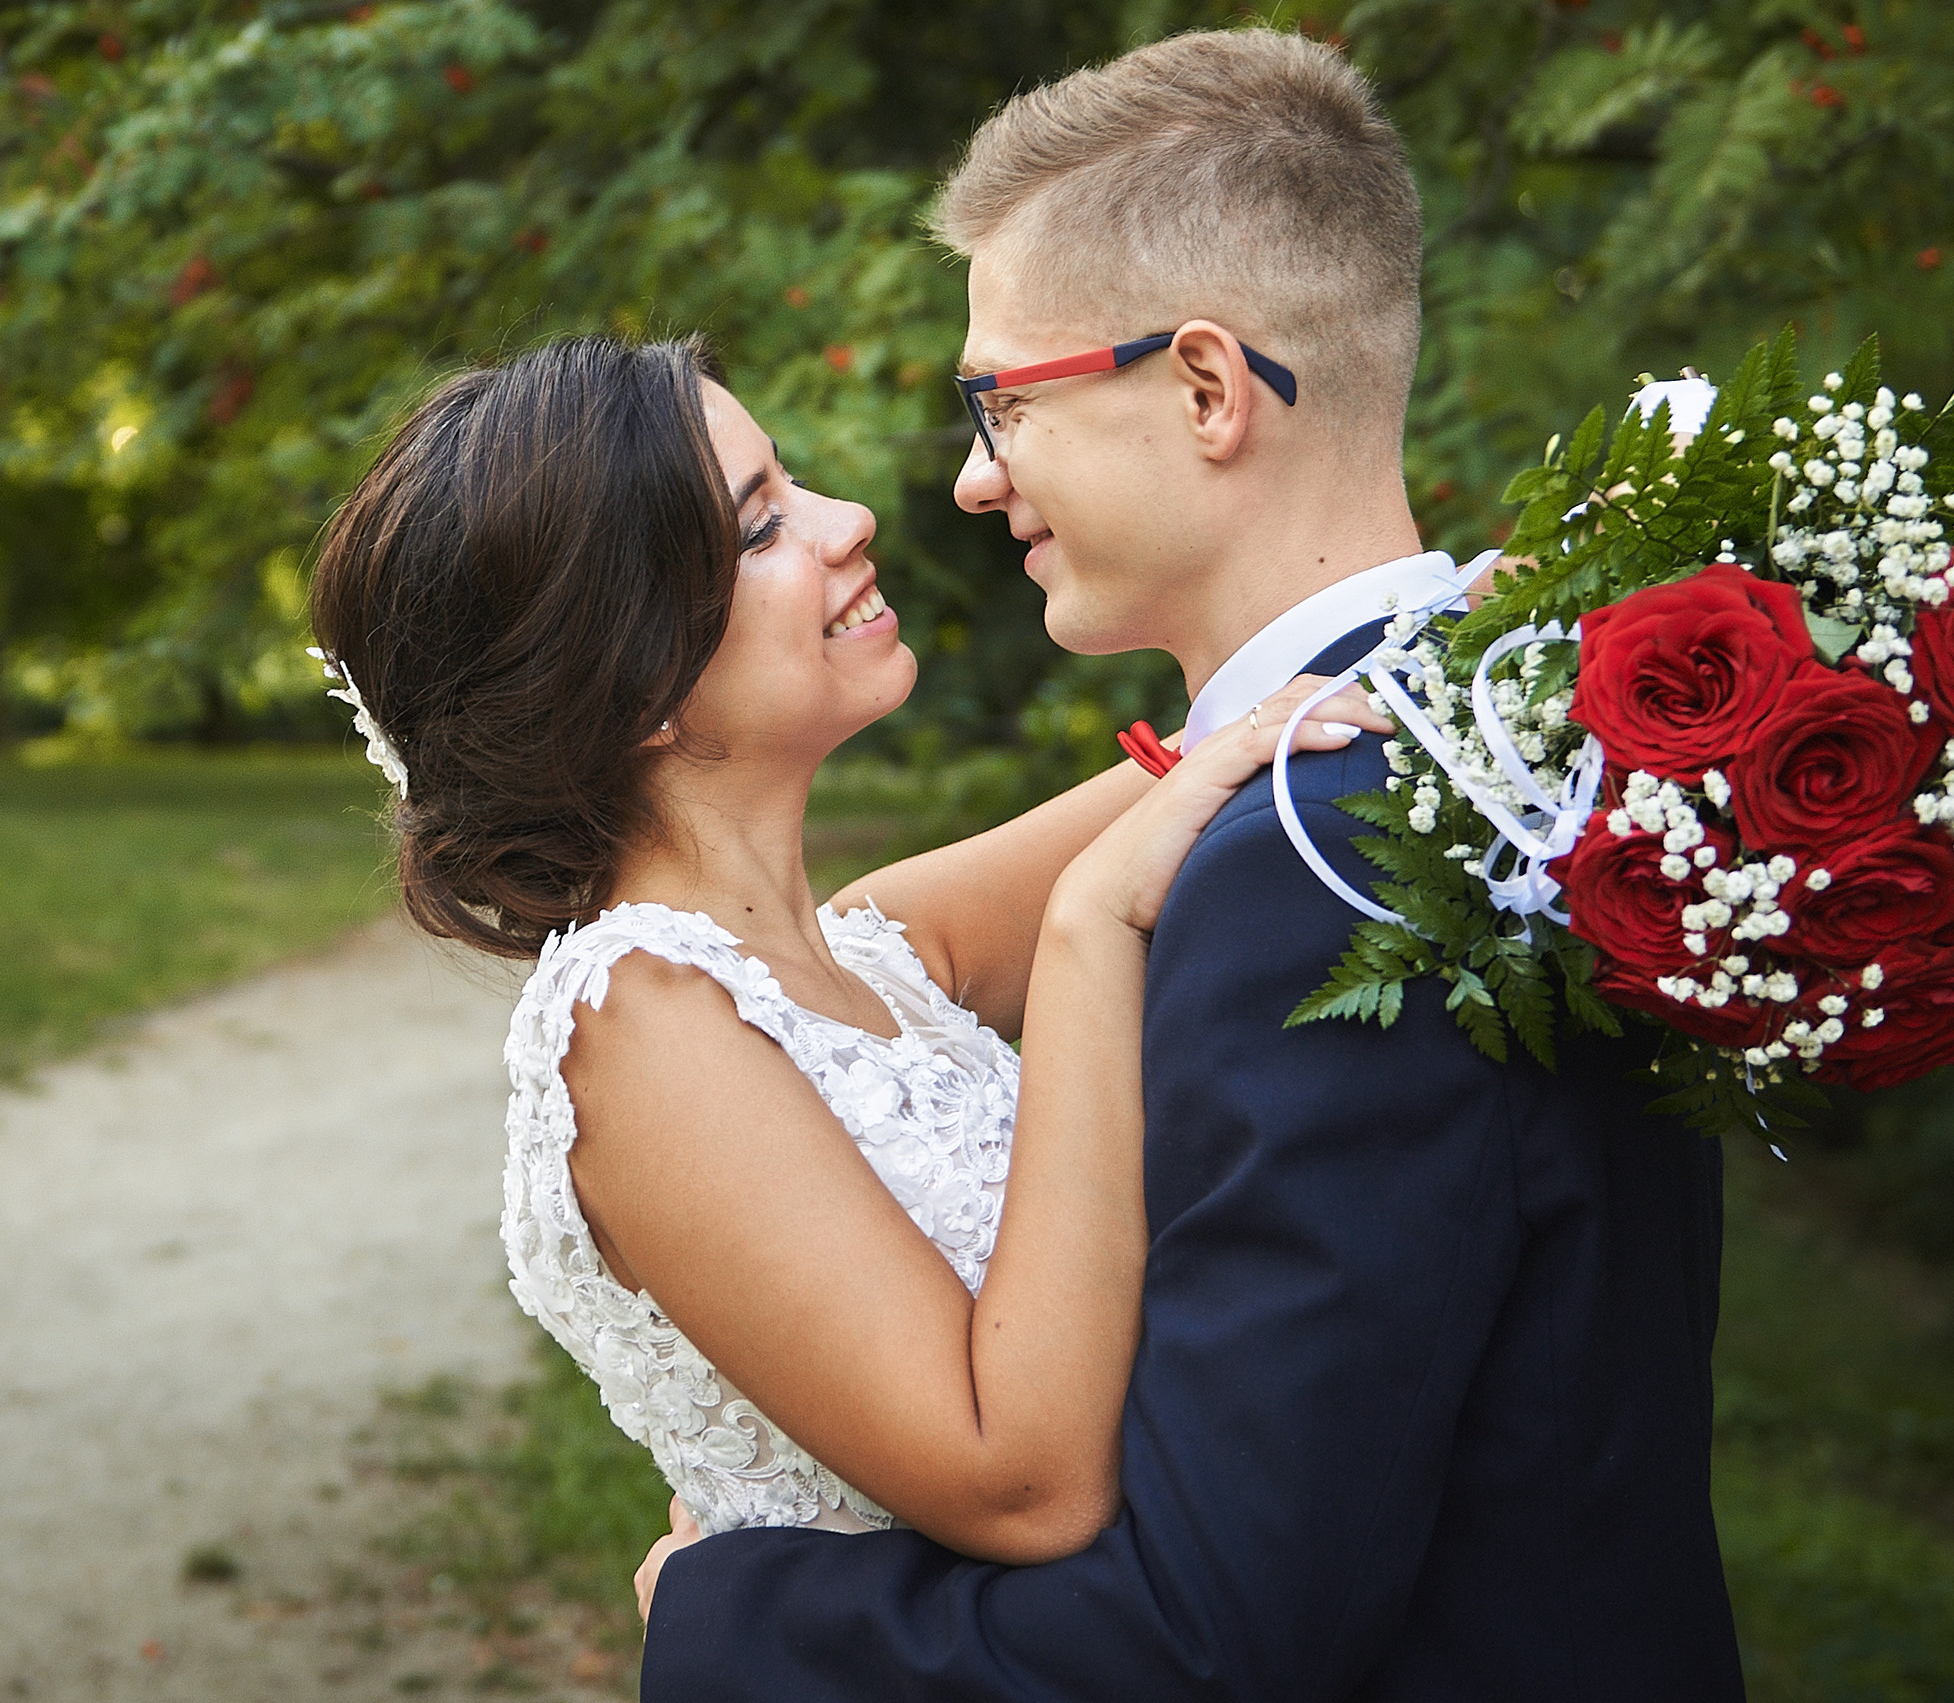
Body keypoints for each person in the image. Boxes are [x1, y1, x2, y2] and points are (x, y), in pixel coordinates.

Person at [635, 28, 1746, 1701]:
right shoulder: (1522, 731)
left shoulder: (1313, 860)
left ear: (1210, 388)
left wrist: (719, 1618)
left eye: (1000, 399)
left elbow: (1216, 1632)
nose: (968, 473)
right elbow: (852, 949)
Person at [304, 334, 1388, 1599]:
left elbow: (1232, 744)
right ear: (636, 675)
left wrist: (1503, 606)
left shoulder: (870, 949)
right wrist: (1092, 929)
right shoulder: (635, 1019)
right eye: (761, 527)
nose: (849, 519)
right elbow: (1020, 1482)